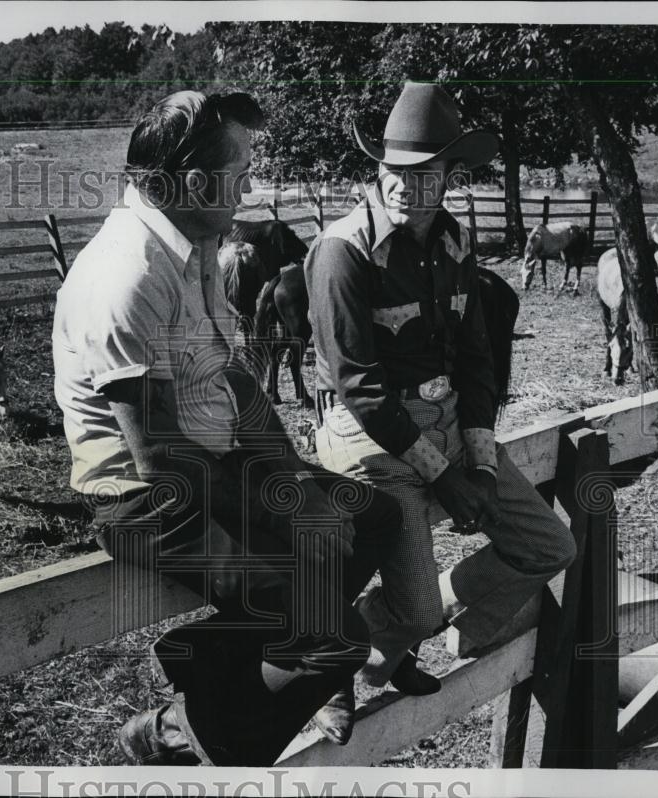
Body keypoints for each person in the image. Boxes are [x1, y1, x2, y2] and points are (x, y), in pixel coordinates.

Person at [52, 90, 404, 764]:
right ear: (191, 181)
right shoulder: (127, 274)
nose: (251, 186)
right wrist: (294, 510)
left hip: (207, 466)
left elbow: (235, 379)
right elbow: (157, 459)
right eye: (240, 171)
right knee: (336, 637)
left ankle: (204, 661)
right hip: (149, 501)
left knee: (374, 517)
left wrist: (293, 477)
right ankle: (182, 736)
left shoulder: (194, 245)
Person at [306, 83, 578, 711]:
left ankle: (427, 621)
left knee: (551, 547)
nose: (403, 183)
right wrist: (446, 478)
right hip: (370, 439)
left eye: (424, 170)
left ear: (451, 174)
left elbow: (478, 358)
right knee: (416, 603)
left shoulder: (455, 245)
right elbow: (358, 387)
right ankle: (330, 667)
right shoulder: (341, 252)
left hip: (451, 426)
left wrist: (479, 461)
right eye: (392, 168)